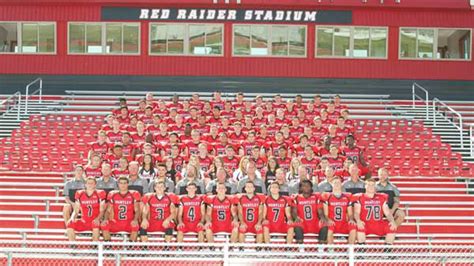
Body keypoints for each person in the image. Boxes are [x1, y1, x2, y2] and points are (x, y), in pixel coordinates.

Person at [353, 178, 397, 245]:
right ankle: (361, 251)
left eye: (372, 185)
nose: (371, 187)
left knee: (392, 227)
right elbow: (356, 212)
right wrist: (358, 220)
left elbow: (387, 213)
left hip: (378, 224)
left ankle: (387, 251)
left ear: (375, 187)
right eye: (369, 185)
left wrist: (392, 221)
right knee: (359, 226)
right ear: (365, 186)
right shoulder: (359, 197)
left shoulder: (382, 197)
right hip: (365, 223)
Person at [101, 177, 141, 241]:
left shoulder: (133, 194)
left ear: (128, 184)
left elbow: (137, 210)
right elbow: (108, 210)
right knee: (104, 225)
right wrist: (105, 219)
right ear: (118, 184)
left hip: (129, 222)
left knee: (135, 226)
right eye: (121, 183)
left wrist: (135, 220)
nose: (123, 185)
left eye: (125, 183)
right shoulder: (113, 194)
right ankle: (108, 247)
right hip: (116, 222)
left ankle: (130, 247)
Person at [66, 177, 106, 241]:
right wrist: (72, 218)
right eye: (88, 183)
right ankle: (72, 246)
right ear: (85, 184)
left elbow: (102, 210)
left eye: (92, 183)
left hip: (95, 220)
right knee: (69, 223)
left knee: (95, 224)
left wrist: (97, 219)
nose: (90, 185)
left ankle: (94, 247)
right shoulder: (80, 193)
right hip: (84, 221)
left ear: (95, 184)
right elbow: (76, 210)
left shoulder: (100, 193)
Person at [321, 177, 356, 244]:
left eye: (338, 183)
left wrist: (351, 219)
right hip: (332, 222)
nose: (337, 184)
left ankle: (350, 250)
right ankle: (331, 251)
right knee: (329, 229)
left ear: (341, 184)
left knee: (353, 227)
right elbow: (325, 214)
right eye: (335, 183)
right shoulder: (327, 196)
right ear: (331, 184)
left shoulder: (347, 196)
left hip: (343, 223)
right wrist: (328, 220)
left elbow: (350, 213)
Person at [291, 180, 328, 245]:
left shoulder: (316, 197)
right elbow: (294, 211)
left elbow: (320, 210)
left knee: (324, 224)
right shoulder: (296, 198)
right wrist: (296, 217)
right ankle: (300, 248)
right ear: (300, 188)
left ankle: (321, 248)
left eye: (308, 186)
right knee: (297, 224)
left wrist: (322, 217)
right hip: (303, 222)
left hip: (314, 222)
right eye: (304, 186)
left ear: (311, 187)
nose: (306, 187)